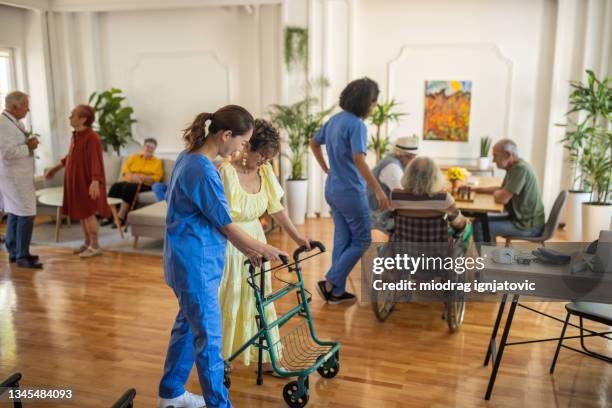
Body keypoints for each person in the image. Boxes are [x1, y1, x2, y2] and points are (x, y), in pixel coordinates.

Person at [157, 106, 286, 408]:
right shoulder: (203, 170)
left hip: (183, 260)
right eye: (242, 142)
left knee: (187, 326)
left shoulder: (188, 157)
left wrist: (250, 250)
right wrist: (263, 248)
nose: (242, 149)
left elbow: (213, 219)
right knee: (210, 343)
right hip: (196, 266)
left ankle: (171, 392)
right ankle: (220, 405)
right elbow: (226, 224)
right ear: (226, 135)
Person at [218, 119, 311, 370]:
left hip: (258, 240)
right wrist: (248, 246)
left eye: (269, 158)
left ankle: (266, 355)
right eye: (263, 156)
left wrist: (298, 237)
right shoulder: (226, 173)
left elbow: (277, 209)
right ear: (247, 147)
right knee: (232, 297)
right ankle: (222, 356)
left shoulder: (266, 172)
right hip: (233, 243)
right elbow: (222, 220)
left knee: (259, 299)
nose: (266, 162)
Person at [310, 77, 391, 304]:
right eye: (374, 102)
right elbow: (359, 159)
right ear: (366, 102)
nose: (375, 107)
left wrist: (326, 168)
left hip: (333, 189)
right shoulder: (357, 125)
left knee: (343, 239)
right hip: (350, 192)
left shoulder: (334, 120)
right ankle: (330, 282)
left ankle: (336, 293)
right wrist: (378, 190)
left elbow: (313, 143)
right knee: (364, 239)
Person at [45, 105, 110, 258]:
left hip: (86, 181)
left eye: (73, 115)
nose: (70, 117)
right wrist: (55, 168)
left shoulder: (92, 137)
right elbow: (70, 157)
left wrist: (95, 181)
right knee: (81, 213)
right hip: (74, 180)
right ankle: (87, 242)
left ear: (83, 119)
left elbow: (96, 160)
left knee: (88, 213)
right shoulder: (75, 135)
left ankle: (95, 245)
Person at [471, 139, 545, 244]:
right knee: (479, 222)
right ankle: (490, 257)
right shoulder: (514, 167)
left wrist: (500, 193)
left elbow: (502, 198)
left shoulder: (520, 169)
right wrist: (476, 189)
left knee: (480, 226)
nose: (493, 160)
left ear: (508, 154)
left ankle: (488, 259)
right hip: (520, 220)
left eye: (495, 156)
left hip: (529, 226)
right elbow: (501, 190)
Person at [0, 91, 42, 268]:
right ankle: (22, 255)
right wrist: (28, 147)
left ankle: (14, 251)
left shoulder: (14, 122)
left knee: (16, 212)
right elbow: (6, 153)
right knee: (26, 213)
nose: (28, 109)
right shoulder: (3, 125)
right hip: (14, 177)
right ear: (14, 107)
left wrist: (27, 144)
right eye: (25, 105)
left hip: (19, 176)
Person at [390, 156, 468, 238]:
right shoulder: (444, 198)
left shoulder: (396, 196)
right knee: (470, 226)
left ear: (408, 174)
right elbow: (459, 225)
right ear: (434, 176)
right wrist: (466, 222)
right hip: (435, 250)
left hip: (404, 249)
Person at [102, 137, 163, 226]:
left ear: (154, 149)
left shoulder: (157, 162)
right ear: (143, 147)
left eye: (152, 147)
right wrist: (133, 177)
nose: (149, 149)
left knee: (129, 188)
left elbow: (157, 177)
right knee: (115, 186)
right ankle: (109, 215)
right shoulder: (134, 157)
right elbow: (125, 171)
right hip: (131, 180)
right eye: (148, 146)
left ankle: (121, 216)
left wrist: (146, 178)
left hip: (145, 184)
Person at [368, 135, 419, 233]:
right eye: (410, 157)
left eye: (414, 157)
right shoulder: (392, 166)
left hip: (381, 214)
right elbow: (403, 196)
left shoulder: (396, 162)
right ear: (400, 154)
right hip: (376, 216)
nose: (413, 161)